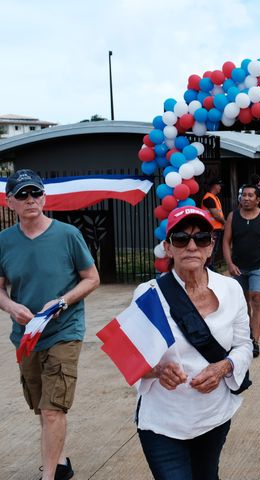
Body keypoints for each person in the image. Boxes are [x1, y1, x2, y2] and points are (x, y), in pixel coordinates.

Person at [133, 206, 253, 480]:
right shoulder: (147, 294)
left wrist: (224, 367)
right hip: (163, 422)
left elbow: (244, 345)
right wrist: (158, 371)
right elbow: (132, 360)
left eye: (200, 238)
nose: (191, 246)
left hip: (213, 417)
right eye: (180, 239)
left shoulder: (231, 289)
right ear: (167, 247)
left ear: (211, 247)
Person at [0, 169, 100, 480]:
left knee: (54, 407)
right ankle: (60, 463)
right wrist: (12, 306)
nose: (31, 200)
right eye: (23, 195)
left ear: (44, 197)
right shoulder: (4, 240)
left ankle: (49, 476)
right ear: (10, 202)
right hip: (26, 336)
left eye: (35, 193)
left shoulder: (68, 235)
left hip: (63, 331)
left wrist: (62, 301)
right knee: (42, 407)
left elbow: (92, 278)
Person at [223, 185, 260, 358]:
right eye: (244, 195)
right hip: (238, 267)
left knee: (256, 298)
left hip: (259, 266)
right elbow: (226, 242)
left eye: (250, 196)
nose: (246, 198)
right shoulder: (233, 217)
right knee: (243, 303)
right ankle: (247, 332)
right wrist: (230, 264)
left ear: (258, 199)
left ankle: (254, 341)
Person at [201, 178, 225, 271]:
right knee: (211, 252)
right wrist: (225, 223)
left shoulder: (214, 198)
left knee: (213, 252)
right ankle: (209, 270)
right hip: (211, 229)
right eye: (219, 185)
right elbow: (216, 215)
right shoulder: (209, 198)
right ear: (214, 186)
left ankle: (211, 269)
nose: (220, 188)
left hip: (215, 229)